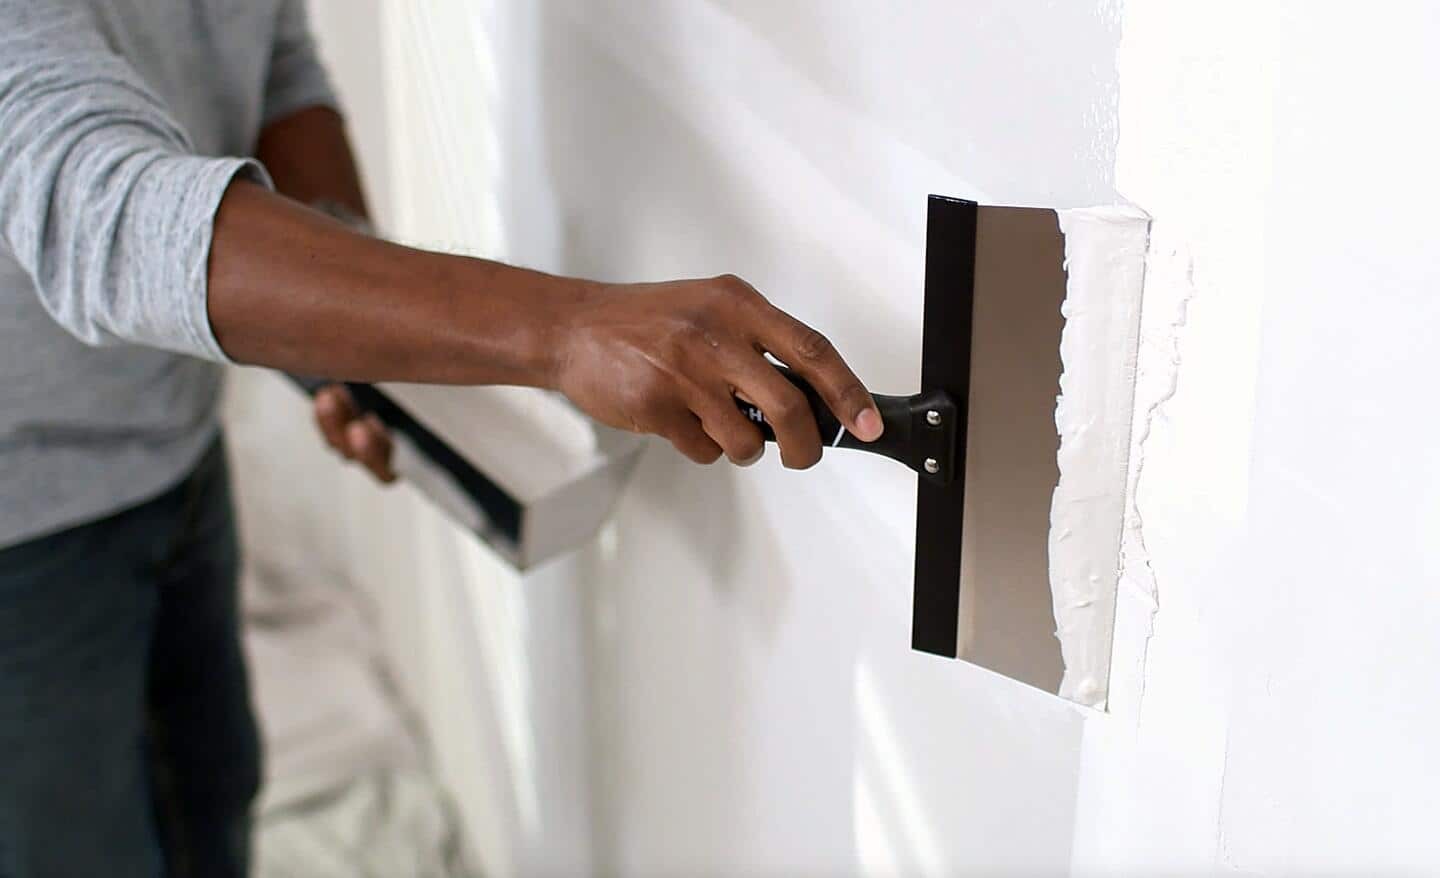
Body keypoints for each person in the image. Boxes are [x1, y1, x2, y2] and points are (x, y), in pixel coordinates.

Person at [0, 1, 884, 875]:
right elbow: (97, 213)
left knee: (213, 801)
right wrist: (570, 329)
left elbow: (274, 67)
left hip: (175, 445)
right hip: (25, 525)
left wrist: (356, 358)